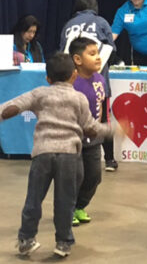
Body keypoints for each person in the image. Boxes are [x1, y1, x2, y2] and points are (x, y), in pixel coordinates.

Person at [0, 53, 116, 257]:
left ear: (48, 79)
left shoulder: (39, 93)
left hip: (42, 153)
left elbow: (11, 108)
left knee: (33, 199)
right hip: (69, 155)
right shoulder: (79, 98)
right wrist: (112, 129)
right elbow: (90, 128)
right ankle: (63, 242)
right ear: (74, 75)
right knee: (65, 201)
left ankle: (26, 239)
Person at [60, 0, 118, 172]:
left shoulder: (68, 25)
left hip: (73, 82)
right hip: (97, 82)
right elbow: (111, 49)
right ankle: (109, 159)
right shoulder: (101, 22)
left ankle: (72, 153)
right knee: (102, 118)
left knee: (73, 117)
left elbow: (62, 52)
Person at [69, 37, 107, 226]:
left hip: (94, 138)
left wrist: (99, 130)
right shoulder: (71, 82)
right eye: (92, 54)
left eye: (98, 53)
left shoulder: (100, 79)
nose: (98, 58)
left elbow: (101, 105)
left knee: (93, 176)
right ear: (77, 60)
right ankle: (68, 210)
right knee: (75, 176)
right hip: (74, 139)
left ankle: (80, 206)